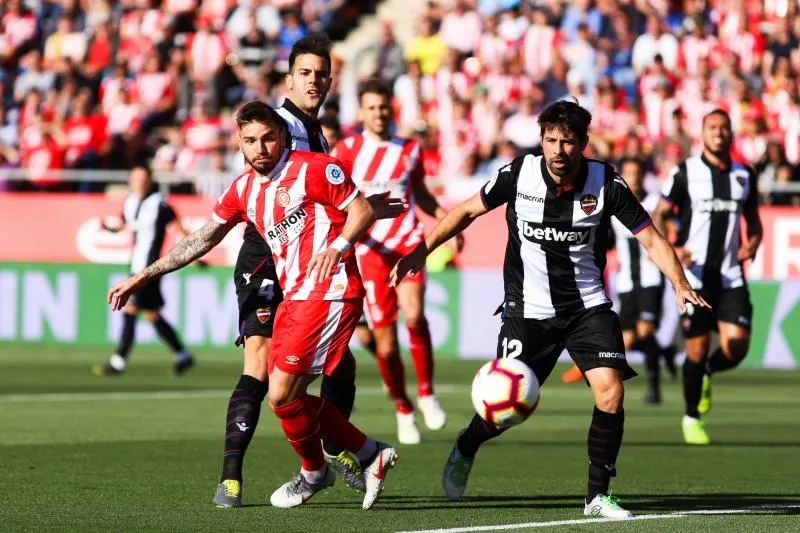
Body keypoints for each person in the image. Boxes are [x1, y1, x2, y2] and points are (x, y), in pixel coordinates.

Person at [390, 100, 708, 518]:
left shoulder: (605, 182)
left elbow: (650, 237)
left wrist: (679, 282)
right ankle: (467, 443)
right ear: (541, 139)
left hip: (587, 308)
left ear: (584, 144)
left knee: (611, 392)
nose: (558, 150)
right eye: (551, 140)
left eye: (568, 142)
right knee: (504, 412)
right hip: (527, 312)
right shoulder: (518, 173)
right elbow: (466, 210)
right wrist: (421, 251)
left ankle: (597, 495)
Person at [108, 102, 398, 510]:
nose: (260, 147)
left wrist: (337, 247)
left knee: (281, 394)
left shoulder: (314, 167)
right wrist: (145, 275)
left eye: (267, 138)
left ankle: (342, 461)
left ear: (281, 137)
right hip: (295, 297)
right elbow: (202, 238)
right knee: (283, 395)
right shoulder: (243, 189)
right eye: (250, 140)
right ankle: (353, 457)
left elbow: (361, 209)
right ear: (239, 145)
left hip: (329, 289)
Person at [213, 34, 400, 507]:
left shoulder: (315, 132)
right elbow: (271, 194)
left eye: (321, 74)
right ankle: (233, 477)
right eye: (305, 73)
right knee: (262, 368)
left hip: (307, 263)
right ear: (289, 78)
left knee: (341, 366)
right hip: (267, 259)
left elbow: (322, 196)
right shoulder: (282, 126)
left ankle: (339, 454)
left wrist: (360, 209)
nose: (314, 81)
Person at [332, 78, 460, 444]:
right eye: (371, 107)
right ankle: (403, 407)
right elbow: (337, 200)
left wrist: (449, 220)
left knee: (416, 316)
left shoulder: (409, 149)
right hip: (370, 252)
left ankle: (426, 393)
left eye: (383, 106)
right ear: (361, 111)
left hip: (407, 245)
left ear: (392, 108)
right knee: (385, 345)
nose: (378, 113)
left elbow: (420, 194)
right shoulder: (347, 150)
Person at [654, 109, 762, 446]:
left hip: (731, 275)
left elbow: (754, 220)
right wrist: (673, 247)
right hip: (695, 277)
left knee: (737, 346)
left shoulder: (745, 174)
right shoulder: (684, 173)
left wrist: (754, 242)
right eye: (713, 127)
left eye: (724, 127)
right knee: (697, 348)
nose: (719, 132)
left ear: (731, 134)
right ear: (702, 133)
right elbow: (659, 215)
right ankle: (691, 417)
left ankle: (708, 374)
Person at [92, 166, 195, 377]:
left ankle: (118, 361)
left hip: (151, 268)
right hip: (135, 266)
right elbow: (124, 225)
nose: (139, 182)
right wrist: (109, 228)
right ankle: (182, 355)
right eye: (136, 178)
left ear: (150, 180)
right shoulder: (130, 202)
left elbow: (178, 229)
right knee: (151, 313)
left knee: (131, 309)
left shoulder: (160, 203)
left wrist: (195, 254)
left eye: (143, 178)